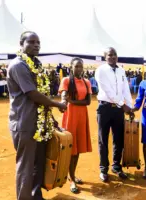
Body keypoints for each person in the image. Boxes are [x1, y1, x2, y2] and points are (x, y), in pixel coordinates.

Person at [6, 31, 67, 200]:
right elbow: (33, 94)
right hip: (25, 123)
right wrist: (57, 104)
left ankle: (36, 196)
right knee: (26, 166)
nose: (36, 45)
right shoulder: (18, 65)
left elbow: (41, 94)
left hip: (40, 124)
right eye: (31, 42)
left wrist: (51, 120)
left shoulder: (37, 65)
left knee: (38, 163)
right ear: (21, 44)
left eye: (38, 42)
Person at [95, 47, 134, 182]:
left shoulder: (121, 70)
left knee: (119, 139)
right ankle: (103, 169)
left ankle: (116, 166)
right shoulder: (100, 70)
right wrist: (122, 105)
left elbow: (126, 90)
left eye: (114, 54)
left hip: (118, 110)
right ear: (105, 57)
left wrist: (130, 106)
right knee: (103, 140)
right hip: (105, 108)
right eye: (109, 55)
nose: (112, 57)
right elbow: (108, 90)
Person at [59, 57, 92, 193]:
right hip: (70, 116)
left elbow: (88, 102)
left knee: (77, 148)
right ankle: (71, 178)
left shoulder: (86, 82)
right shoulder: (66, 80)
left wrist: (72, 101)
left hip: (82, 117)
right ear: (71, 67)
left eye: (81, 66)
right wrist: (64, 100)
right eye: (76, 66)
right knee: (70, 148)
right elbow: (63, 94)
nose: (79, 69)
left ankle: (72, 175)